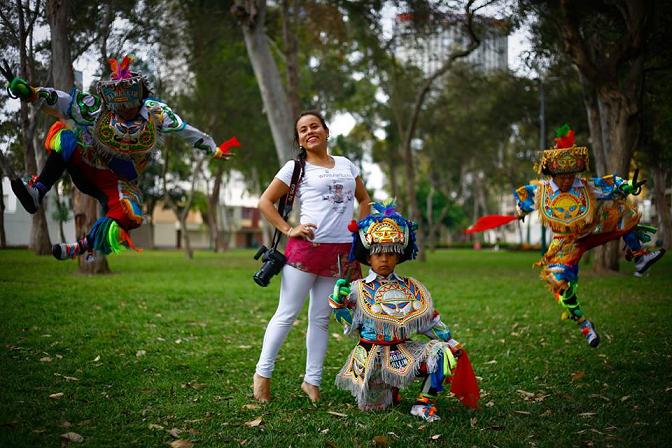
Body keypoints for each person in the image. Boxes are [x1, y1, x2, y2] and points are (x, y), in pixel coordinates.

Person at [1, 56, 237, 259]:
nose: (123, 111)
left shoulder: (156, 113)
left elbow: (184, 128)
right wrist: (33, 93)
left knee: (129, 213)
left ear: (139, 96)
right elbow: (67, 102)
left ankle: (80, 247)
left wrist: (212, 148)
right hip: (89, 167)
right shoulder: (99, 109)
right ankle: (37, 192)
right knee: (65, 137)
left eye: (129, 106)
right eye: (119, 106)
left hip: (119, 183)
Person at [253, 111, 371, 402]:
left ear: (326, 131)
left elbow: (364, 200)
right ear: (300, 140)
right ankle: (262, 375)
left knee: (320, 319)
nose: (309, 132)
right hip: (305, 251)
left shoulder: (346, 164)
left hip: (340, 254)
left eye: (314, 126)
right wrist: (288, 228)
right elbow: (265, 202)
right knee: (286, 314)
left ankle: (312, 382)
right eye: (303, 130)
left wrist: (360, 231)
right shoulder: (296, 168)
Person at [514, 124, 665, 348]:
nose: (566, 180)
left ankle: (639, 255)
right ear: (552, 173)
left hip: (593, 227)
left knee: (622, 210)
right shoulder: (540, 191)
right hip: (564, 242)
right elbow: (522, 201)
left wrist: (628, 185)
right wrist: (519, 211)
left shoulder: (585, 186)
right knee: (558, 282)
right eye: (561, 176)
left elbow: (611, 184)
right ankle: (585, 325)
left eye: (570, 175)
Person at [328, 200, 479, 421]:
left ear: (398, 256)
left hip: (403, 351)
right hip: (372, 356)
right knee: (376, 407)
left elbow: (427, 321)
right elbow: (349, 324)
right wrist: (338, 301)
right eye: (378, 253)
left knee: (442, 353)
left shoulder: (411, 287)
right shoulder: (356, 289)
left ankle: (423, 404)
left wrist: (450, 341)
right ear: (368, 257)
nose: (384, 258)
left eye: (390, 253)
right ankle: (390, 390)